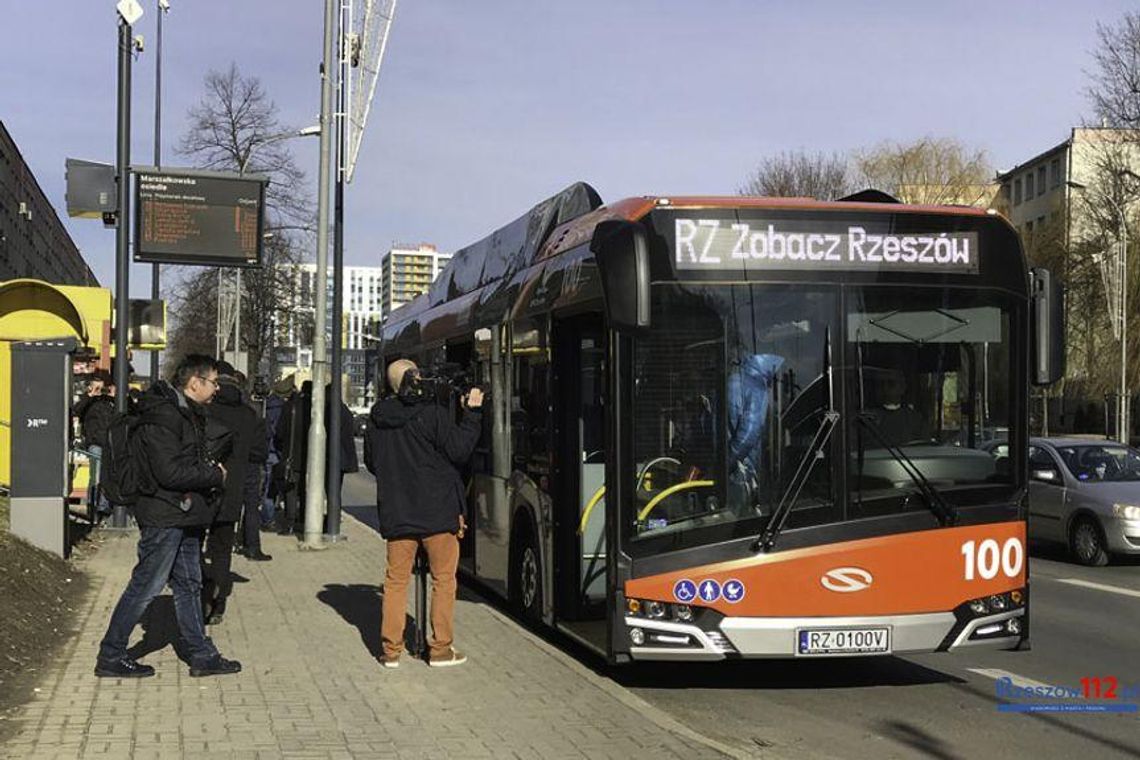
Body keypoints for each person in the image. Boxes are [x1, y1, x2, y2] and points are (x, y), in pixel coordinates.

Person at [94, 354, 241, 679]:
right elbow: (170, 472)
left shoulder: (183, 413)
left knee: (189, 584)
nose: (217, 389)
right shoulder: (164, 417)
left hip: (182, 514)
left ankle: (201, 654)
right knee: (146, 584)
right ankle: (111, 654)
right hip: (164, 514)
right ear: (195, 383)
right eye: (214, 382)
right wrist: (213, 475)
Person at [366, 359, 482, 668]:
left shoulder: (378, 420)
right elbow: (459, 450)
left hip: (398, 512)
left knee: (395, 581)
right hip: (437, 512)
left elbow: (373, 463)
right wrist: (472, 415)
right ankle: (440, 649)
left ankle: (391, 651)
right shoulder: (433, 415)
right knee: (443, 579)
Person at [201, 363, 266, 626]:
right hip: (233, 489)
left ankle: (202, 597)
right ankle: (219, 601)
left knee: (195, 543)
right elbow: (259, 453)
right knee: (222, 547)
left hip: (203, 487)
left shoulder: (204, 411)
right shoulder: (249, 415)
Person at [76, 372, 116, 517]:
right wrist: (90, 396)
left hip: (110, 444)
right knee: (97, 476)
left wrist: (115, 396)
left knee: (108, 477)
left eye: (102, 388)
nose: (100, 391)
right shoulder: (87, 402)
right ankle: (93, 506)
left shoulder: (109, 402)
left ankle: (103, 507)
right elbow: (76, 410)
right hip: (96, 444)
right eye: (97, 388)